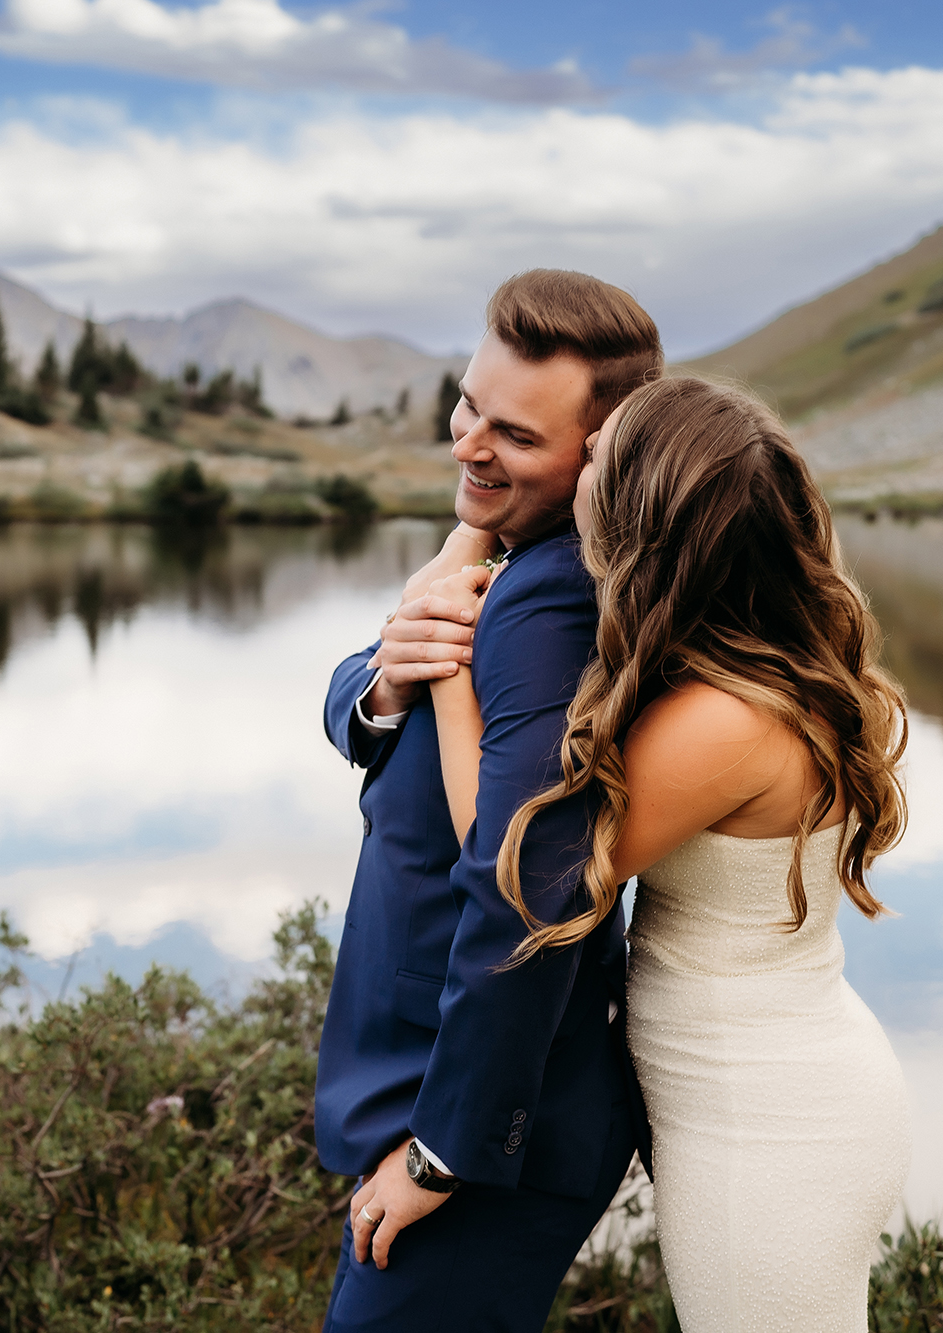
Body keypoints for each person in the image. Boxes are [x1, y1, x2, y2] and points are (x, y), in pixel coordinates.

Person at [425, 375, 912, 1332]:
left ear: (642, 512)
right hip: (778, 1090)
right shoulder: (753, 669)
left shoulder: (722, 720)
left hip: (766, 1125)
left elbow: (517, 867)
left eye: (600, 456)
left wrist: (450, 671)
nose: (580, 465)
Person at [316, 269, 662, 1333]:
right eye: (467, 405)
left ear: (598, 455)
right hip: (435, 1094)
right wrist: (383, 681)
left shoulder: (553, 603)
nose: (468, 444)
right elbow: (363, 697)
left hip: (481, 1129)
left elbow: (529, 885)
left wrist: (446, 1147)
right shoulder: (510, 558)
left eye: (512, 434)